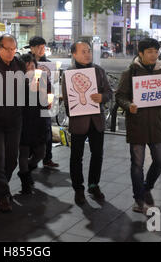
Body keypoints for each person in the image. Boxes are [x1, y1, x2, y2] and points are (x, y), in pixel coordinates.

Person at [115, 38, 161, 213]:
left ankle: (146, 187)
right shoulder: (130, 73)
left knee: (160, 160)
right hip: (137, 125)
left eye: (156, 51)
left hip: (157, 125)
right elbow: (120, 96)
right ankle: (139, 198)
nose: (153, 55)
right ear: (140, 53)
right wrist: (129, 106)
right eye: (149, 51)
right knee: (137, 164)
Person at [62, 41, 113, 205]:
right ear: (74, 54)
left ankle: (93, 185)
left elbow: (108, 92)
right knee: (76, 157)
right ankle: (78, 189)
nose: (87, 54)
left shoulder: (98, 71)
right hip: (79, 121)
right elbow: (67, 101)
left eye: (89, 51)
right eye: (83, 51)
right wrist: (76, 112)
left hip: (97, 121)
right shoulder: (69, 74)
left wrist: (102, 97)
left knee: (97, 154)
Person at [0, 34, 27, 212]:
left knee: (11, 158)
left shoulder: (20, 64)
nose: (10, 52)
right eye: (7, 49)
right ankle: (2, 195)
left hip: (15, 117)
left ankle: (0, 187)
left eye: (13, 49)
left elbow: (25, 87)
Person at [18, 53, 50, 194]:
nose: (31, 67)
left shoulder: (42, 79)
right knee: (23, 153)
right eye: (27, 65)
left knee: (40, 153)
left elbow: (48, 97)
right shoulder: (17, 81)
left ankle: (27, 170)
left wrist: (48, 102)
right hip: (24, 121)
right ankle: (25, 180)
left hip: (39, 121)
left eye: (33, 65)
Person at [28, 36, 58, 169]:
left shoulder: (49, 64)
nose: (42, 50)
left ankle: (47, 158)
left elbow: (54, 82)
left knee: (47, 131)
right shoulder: (26, 62)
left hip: (45, 101)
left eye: (43, 47)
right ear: (32, 48)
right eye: (39, 47)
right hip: (29, 103)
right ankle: (29, 157)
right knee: (30, 129)